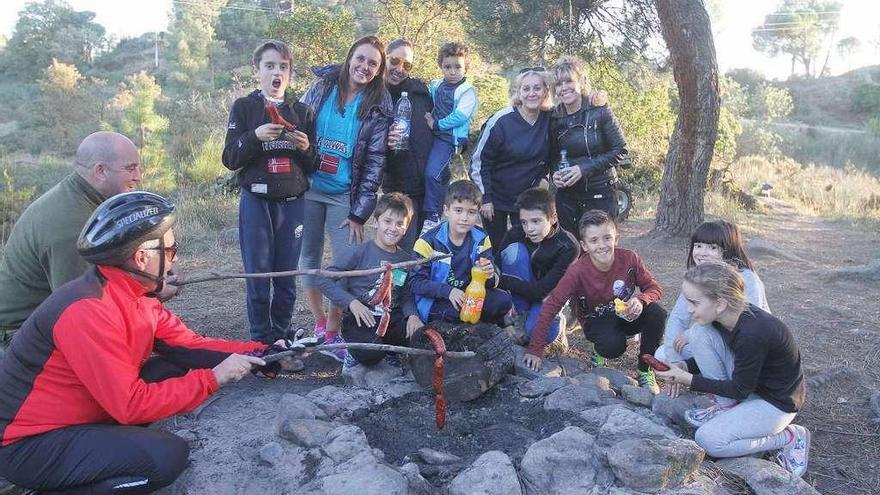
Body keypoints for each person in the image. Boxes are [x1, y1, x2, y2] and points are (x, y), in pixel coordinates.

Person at [0, 192, 295, 493]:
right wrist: (214, 378)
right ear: (142, 256)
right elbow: (130, 406)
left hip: (82, 413)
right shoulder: (88, 311)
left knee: (171, 366)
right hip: (30, 443)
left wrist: (261, 353)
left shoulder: (132, 292)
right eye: (171, 248)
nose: (175, 258)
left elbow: (189, 347)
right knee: (166, 457)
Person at [0, 131, 180, 352]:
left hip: (42, 322)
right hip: (23, 337)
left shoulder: (86, 201)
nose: (138, 176)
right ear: (100, 171)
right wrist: (154, 290)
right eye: (130, 168)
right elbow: (84, 308)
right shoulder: (71, 224)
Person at [655, 262, 809, 477]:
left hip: (775, 402)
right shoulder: (723, 319)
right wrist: (686, 366)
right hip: (749, 386)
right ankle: (726, 407)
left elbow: (740, 389)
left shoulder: (753, 332)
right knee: (699, 332)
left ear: (720, 304)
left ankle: (791, 437)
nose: (689, 309)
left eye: (694, 302)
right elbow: (727, 356)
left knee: (708, 440)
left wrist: (688, 379)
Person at [298, 36, 393, 361]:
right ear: (350, 56)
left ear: (378, 71)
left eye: (372, 64)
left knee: (349, 265)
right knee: (308, 259)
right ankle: (320, 324)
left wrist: (359, 213)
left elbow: (375, 163)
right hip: (308, 188)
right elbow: (299, 124)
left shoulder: (378, 106)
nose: (364, 67)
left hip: (343, 195)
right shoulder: (323, 86)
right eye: (361, 58)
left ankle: (336, 329)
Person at [222, 40, 316, 347]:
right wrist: (254, 137)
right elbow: (230, 159)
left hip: (292, 203)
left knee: (286, 277)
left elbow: (313, 164)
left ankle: (280, 338)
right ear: (257, 70)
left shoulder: (302, 112)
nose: (277, 72)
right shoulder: (245, 107)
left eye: (283, 67)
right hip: (256, 203)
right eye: (270, 65)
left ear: (290, 72)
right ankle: (260, 342)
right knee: (258, 277)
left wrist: (305, 148)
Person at [523, 209, 666, 393]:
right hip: (596, 321)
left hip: (625, 314)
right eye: (593, 240)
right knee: (614, 347)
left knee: (657, 313)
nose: (602, 245)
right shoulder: (577, 271)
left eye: (607, 238)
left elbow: (654, 288)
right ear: (584, 245)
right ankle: (599, 351)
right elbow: (551, 305)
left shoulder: (630, 259)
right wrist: (535, 349)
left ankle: (645, 370)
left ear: (616, 238)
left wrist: (641, 299)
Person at [316, 193, 423, 372]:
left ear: (406, 228)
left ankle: (390, 350)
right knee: (371, 354)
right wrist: (351, 303)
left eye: (399, 224)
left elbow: (405, 294)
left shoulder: (404, 259)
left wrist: (412, 315)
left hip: (391, 319)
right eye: (387, 221)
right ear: (375, 222)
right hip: (361, 318)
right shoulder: (359, 252)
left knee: (419, 337)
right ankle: (355, 352)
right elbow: (323, 279)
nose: (393, 228)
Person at [656, 220, 770, 368]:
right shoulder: (698, 278)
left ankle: (720, 382)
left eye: (712, 247)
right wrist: (674, 362)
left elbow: (749, 327)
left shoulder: (747, 280)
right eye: (698, 246)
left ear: (727, 250)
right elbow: (678, 317)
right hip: (715, 343)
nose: (702, 253)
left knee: (699, 336)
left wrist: (692, 334)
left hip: (745, 349)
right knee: (663, 354)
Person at [470, 68, 554, 254]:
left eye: (537, 88)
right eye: (526, 89)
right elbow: (479, 162)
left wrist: (544, 180)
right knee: (497, 247)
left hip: (525, 198)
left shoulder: (551, 119)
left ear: (546, 91)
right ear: (519, 92)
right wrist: (485, 198)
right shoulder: (501, 121)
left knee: (527, 248)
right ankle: (497, 281)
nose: (532, 93)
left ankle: (526, 282)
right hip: (495, 198)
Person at [410, 180, 512, 327]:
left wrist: (490, 274)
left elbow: (490, 281)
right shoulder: (427, 242)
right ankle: (476, 326)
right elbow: (415, 282)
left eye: (471, 212)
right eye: (458, 210)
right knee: (455, 314)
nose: (464, 218)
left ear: (478, 213)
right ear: (446, 210)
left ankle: (484, 327)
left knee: (503, 301)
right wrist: (448, 291)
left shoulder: (481, 238)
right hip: (438, 298)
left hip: (469, 295)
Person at [549, 56, 628, 235]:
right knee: (572, 250)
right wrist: (555, 175)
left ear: (581, 82)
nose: (564, 88)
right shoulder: (553, 118)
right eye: (559, 84)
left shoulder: (599, 111)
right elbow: (552, 156)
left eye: (569, 81)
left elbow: (620, 150)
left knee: (599, 248)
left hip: (600, 192)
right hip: (567, 197)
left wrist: (583, 168)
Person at [499, 188, 580, 347]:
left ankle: (556, 318)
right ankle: (519, 315)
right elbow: (495, 268)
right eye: (524, 222)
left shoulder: (568, 246)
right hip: (524, 289)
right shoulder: (516, 233)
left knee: (535, 332)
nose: (529, 229)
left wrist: (503, 281)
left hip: (549, 295)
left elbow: (541, 291)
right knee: (514, 251)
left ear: (553, 218)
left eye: (536, 221)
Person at [421, 42, 479, 234]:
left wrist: (437, 124)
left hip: (449, 138)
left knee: (432, 173)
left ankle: (432, 216)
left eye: (458, 67)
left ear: (466, 68)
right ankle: (442, 209)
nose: (453, 71)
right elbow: (428, 99)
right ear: (441, 66)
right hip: (432, 135)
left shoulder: (467, 91)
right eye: (448, 67)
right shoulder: (436, 85)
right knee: (441, 175)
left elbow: (460, 116)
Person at [383, 38, 433, 249]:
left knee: (424, 249)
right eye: (395, 60)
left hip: (428, 188)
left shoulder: (421, 92)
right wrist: (385, 143)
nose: (399, 68)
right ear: (385, 57)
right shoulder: (374, 95)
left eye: (407, 65)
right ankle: (394, 284)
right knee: (401, 249)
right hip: (399, 187)